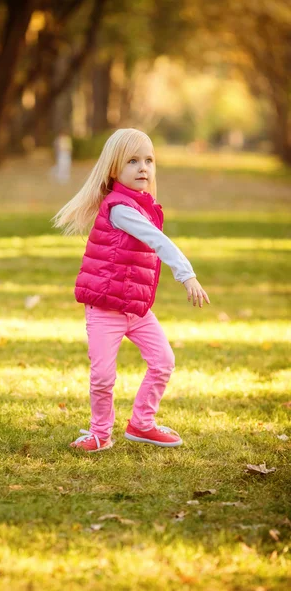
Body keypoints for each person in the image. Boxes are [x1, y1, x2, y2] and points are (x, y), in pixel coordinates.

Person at [52, 128, 210, 452]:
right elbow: (158, 241)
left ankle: (142, 423)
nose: (143, 168)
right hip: (104, 311)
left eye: (149, 160)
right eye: (133, 161)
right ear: (114, 169)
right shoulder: (121, 209)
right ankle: (100, 433)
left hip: (135, 310)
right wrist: (187, 275)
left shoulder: (143, 205)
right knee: (103, 376)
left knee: (163, 360)